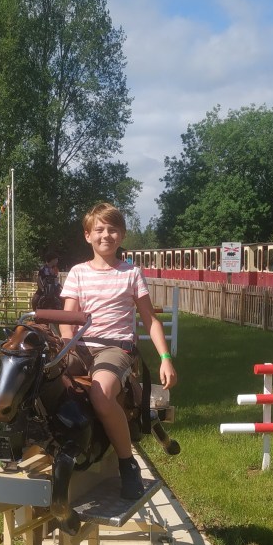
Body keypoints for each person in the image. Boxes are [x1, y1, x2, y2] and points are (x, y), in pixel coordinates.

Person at [60, 203, 177, 500]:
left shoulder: (131, 274)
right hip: (80, 346)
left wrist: (165, 358)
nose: (106, 235)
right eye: (99, 229)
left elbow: (149, 319)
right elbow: (67, 319)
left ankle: (128, 464)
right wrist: (65, 348)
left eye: (112, 230)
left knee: (101, 394)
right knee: (38, 375)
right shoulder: (77, 273)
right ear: (88, 236)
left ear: (122, 235)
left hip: (115, 347)